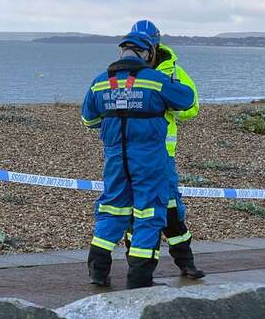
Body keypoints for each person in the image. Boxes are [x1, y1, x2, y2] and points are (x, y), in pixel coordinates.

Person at [81, 31, 195, 289]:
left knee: (112, 209)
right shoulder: (156, 80)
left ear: (121, 52)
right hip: (149, 160)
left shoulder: (100, 82)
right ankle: (139, 280)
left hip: (114, 158)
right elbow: (187, 101)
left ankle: (98, 271)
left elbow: (88, 120)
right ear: (149, 54)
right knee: (149, 213)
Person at [126, 19, 205, 279]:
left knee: (171, 208)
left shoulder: (173, 72)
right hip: (132, 153)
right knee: (134, 210)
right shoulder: (125, 71)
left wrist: (167, 101)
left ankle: (185, 262)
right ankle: (136, 266)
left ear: (154, 46)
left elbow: (192, 106)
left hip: (162, 154)